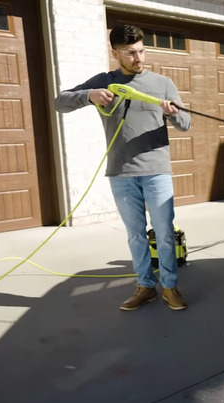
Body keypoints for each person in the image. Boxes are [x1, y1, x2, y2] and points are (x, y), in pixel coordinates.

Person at [54, 24, 191, 311]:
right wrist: (88, 95)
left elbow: (186, 123)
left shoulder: (162, 83)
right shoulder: (104, 82)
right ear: (115, 52)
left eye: (141, 50)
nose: (139, 57)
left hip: (156, 171)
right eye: (130, 53)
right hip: (121, 173)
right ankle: (145, 286)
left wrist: (174, 115)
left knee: (164, 233)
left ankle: (169, 286)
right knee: (135, 234)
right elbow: (60, 102)